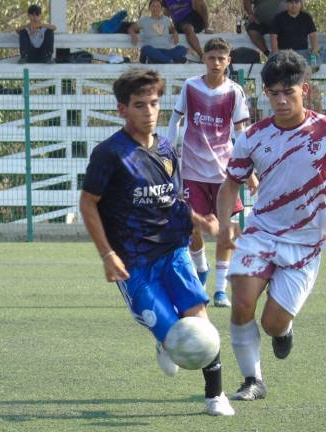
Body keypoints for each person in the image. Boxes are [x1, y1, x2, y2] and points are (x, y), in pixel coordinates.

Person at [215, 50, 326, 401]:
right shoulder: (253, 136)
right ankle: (252, 380)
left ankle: (283, 330)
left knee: (272, 323)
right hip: (262, 233)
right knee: (242, 303)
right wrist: (226, 224)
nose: (281, 100)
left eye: (288, 92)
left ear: (305, 89)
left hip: (306, 242)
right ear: (265, 94)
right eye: (273, 93)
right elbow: (231, 184)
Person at [79, 68, 234, 416]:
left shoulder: (166, 147)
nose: (149, 112)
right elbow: (88, 203)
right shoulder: (110, 154)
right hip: (134, 263)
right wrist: (106, 254)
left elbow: (173, 199)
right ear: (122, 110)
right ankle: (165, 343)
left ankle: (215, 396)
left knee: (200, 321)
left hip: (173, 250)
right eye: (139, 105)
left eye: (153, 103)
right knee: (173, 334)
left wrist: (200, 221)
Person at [167, 38, 257, 308]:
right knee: (192, 227)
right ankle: (201, 267)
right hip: (192, 169)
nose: (216, 62)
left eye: (221, 58)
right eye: (211, 57)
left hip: (223, 173)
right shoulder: (190, 86)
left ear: (228, 61)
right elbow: (175, 119)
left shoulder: (235, 92)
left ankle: (220, 289)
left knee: (225, 229)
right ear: (204, 59)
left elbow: (241, 133)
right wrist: (168, 155)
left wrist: (248, 170)